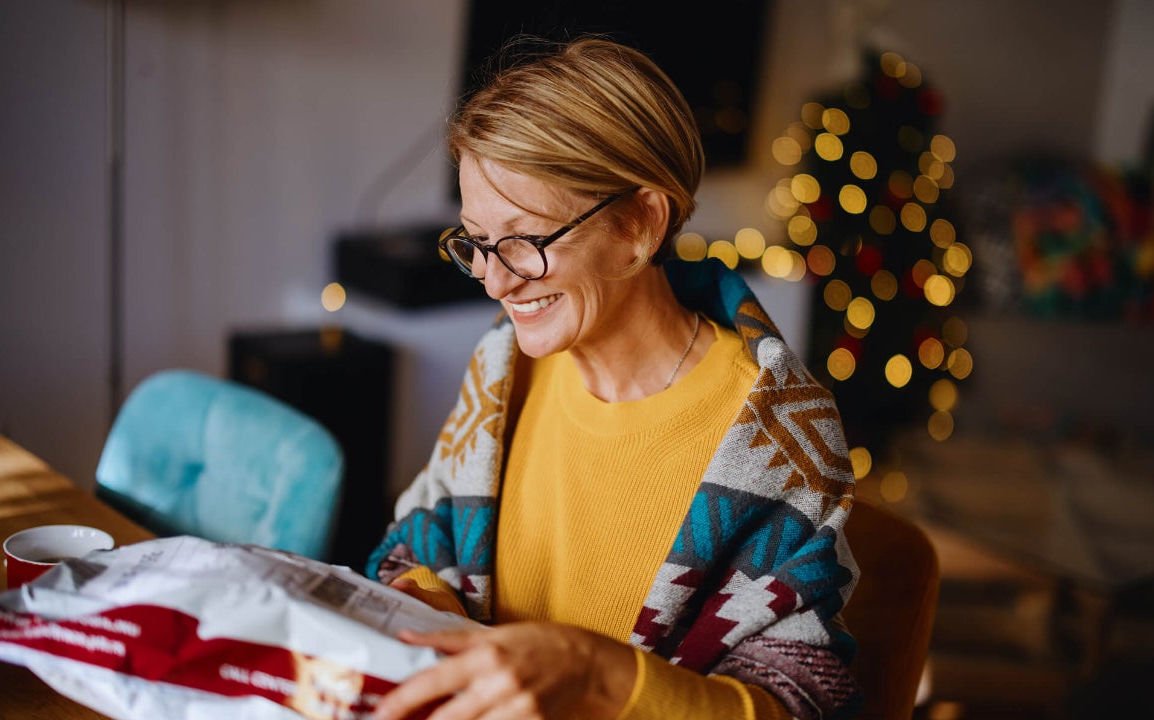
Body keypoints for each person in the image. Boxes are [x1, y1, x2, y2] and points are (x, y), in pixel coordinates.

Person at [367, 35, 862, 720]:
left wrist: (598, 675)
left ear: (640, 224)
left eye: (524, 242)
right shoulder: (501, 365)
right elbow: (414, 552)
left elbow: (799, 703)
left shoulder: (775, 440)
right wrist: (436, 612)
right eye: (477, 243)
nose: (494, 281)